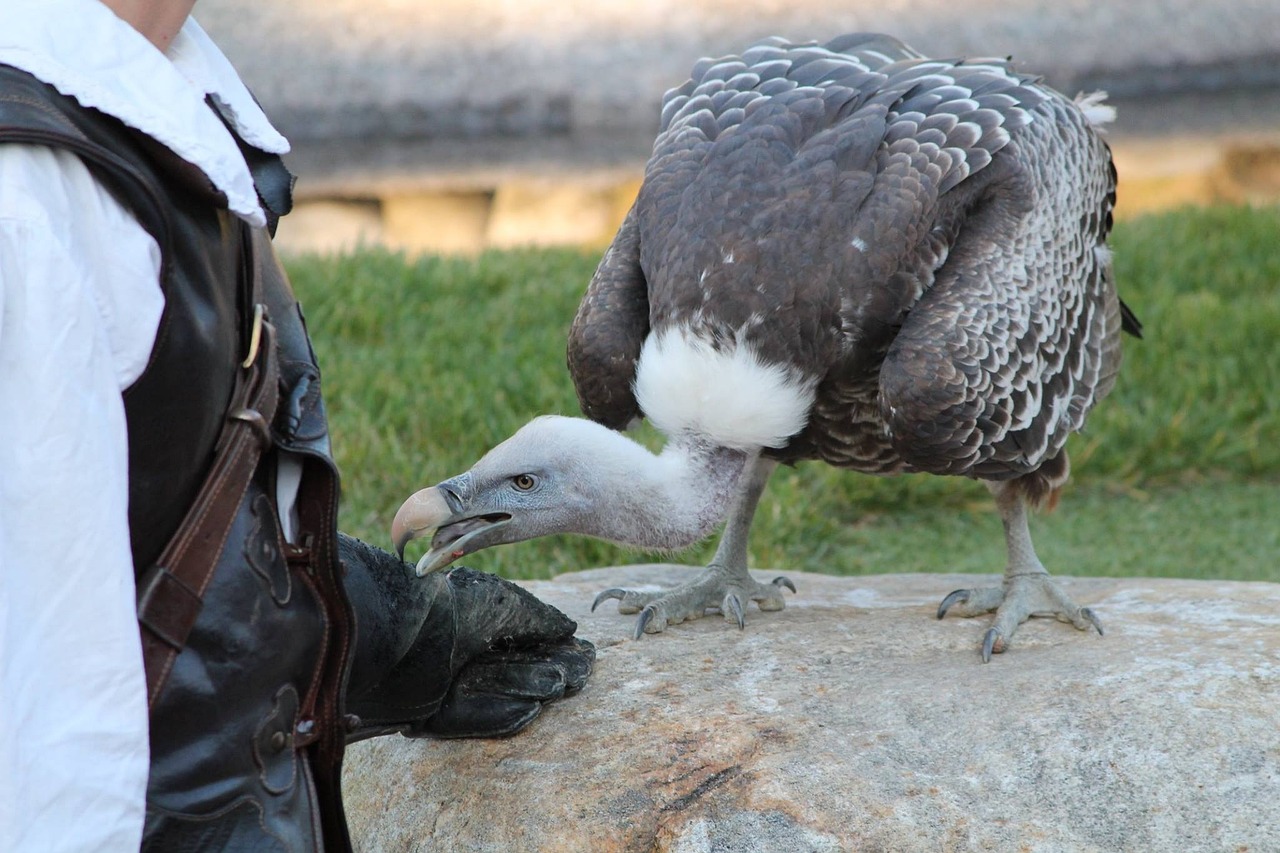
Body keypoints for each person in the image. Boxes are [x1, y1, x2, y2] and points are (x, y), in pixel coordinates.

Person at [0, 1, 594, 850]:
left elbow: (112, 537)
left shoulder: (131, 88)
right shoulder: (25, 210)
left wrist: (363, 634)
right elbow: (43, 742)